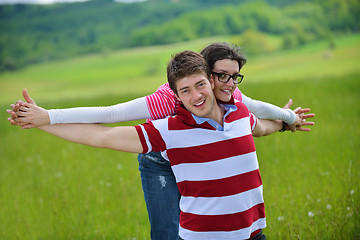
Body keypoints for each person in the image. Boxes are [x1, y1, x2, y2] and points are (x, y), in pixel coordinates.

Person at [8, 43, 314, 240]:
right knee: (168, 233)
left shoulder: (235, 106)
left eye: (234, 77)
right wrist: (46, 117)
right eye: (222, 76)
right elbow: (106, 121)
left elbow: (260, 119)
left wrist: (289, 120)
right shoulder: (165, 110)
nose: (229, 83)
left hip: (245, 224)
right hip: (160, 158)